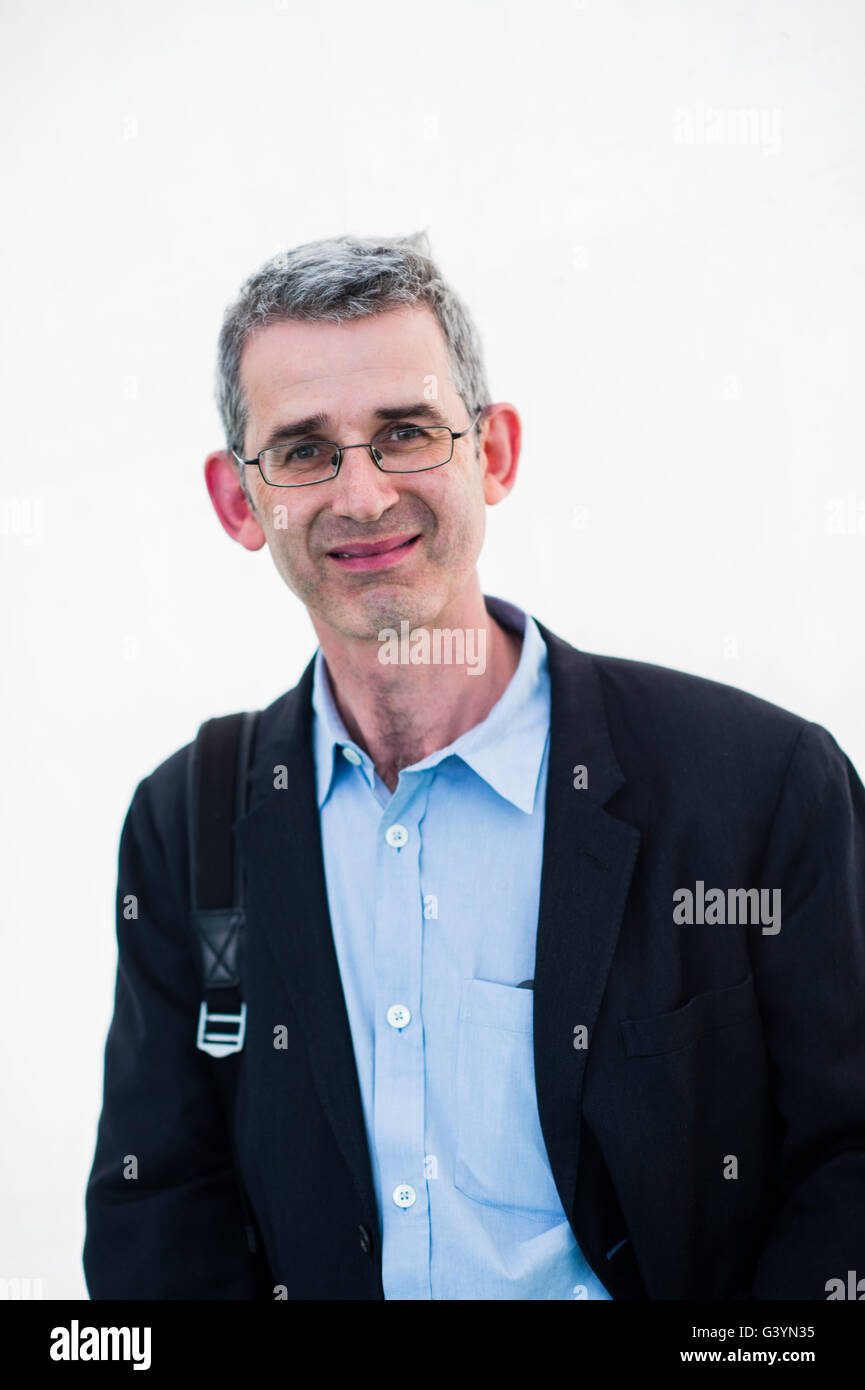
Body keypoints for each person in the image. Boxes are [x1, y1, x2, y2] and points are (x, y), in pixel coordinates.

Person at [84, 231, 865, 1300]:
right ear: (238, 502)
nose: (362, 496)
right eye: (304, 451)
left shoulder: (760, 787)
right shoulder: (187, 820)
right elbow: (159, 1211)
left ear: (492, 454)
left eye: (405, 433)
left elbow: (849, 1162)